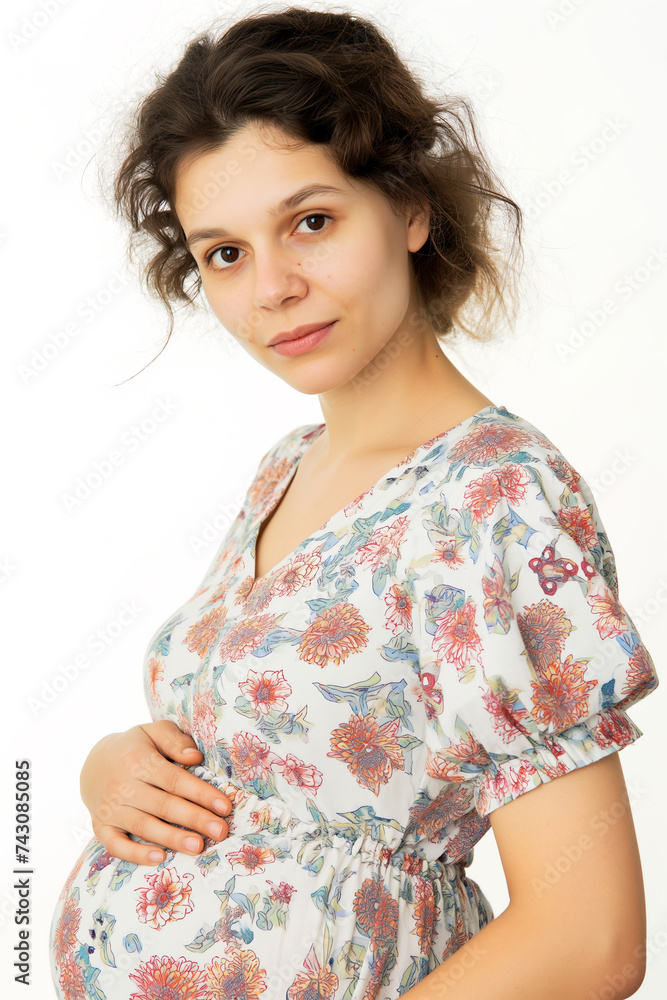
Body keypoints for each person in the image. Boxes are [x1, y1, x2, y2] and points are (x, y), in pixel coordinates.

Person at [48, 7, 659, 999]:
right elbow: (262, 754)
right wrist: (108, 768)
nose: (272, 288)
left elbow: (590, 939)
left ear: (410, 208)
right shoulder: (288, 466)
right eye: (225, 253)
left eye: (312, 222)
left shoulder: (495, 496)